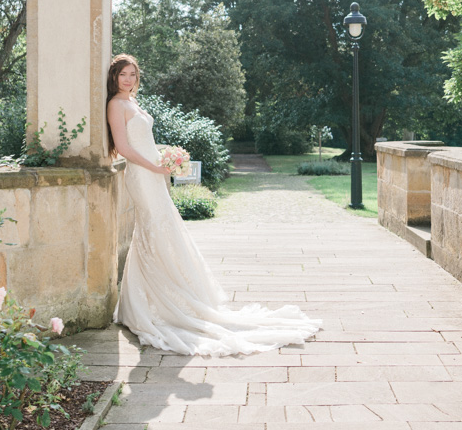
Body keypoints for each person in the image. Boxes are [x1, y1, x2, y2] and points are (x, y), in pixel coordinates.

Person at [106, 54, 321, 356]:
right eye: (123, 74)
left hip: (153, 172)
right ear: (114, 77)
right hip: (141, 176)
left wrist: (168, 155)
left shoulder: (133, 102)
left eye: (132, 74)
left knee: (161, 228)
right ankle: (148, 303)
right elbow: (125, 148)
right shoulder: (116, 104)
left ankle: (156, 296)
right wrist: (155, 167)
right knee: (153, 227)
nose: (128, 79)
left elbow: (144, 141)